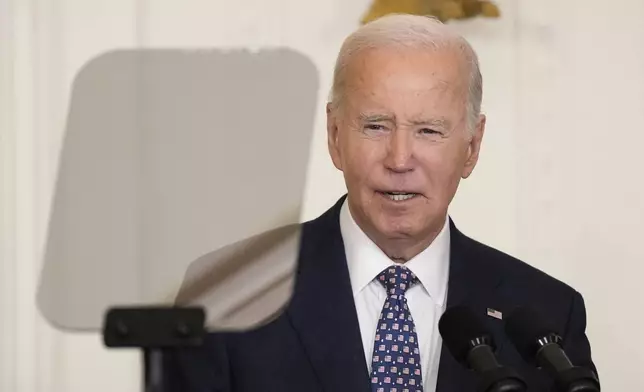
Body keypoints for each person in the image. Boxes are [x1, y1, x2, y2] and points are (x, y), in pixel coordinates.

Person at [164, 14, 596, 392]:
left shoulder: (548, 316)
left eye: (428, 130)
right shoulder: (225, 296)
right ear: (335, 135)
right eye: (375, 126)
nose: (400, 159)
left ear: (472, 147)